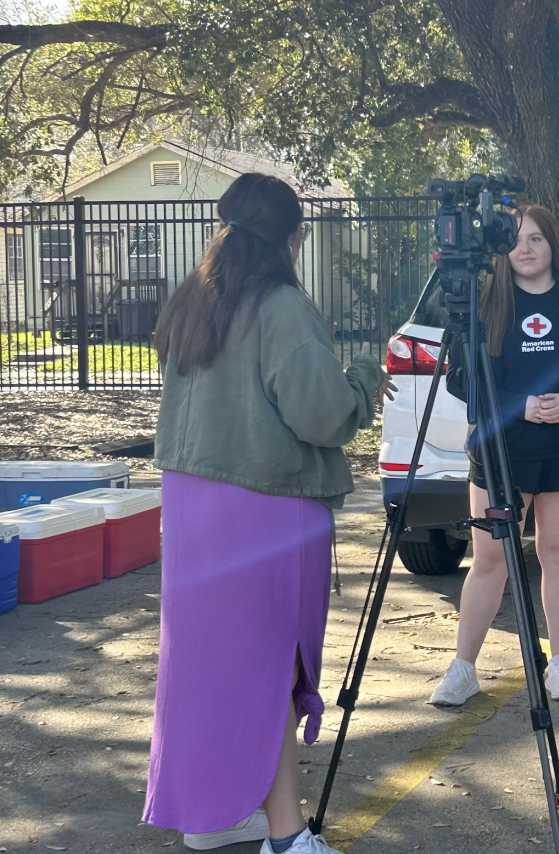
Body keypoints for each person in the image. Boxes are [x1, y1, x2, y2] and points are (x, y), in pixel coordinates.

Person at [145, 174, 393, 854]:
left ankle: (211, 815)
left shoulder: (193, 302)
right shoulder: (280, 305)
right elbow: (321, 415)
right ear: (288, 237)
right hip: (265, 506)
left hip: (192, 503)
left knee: (207, 667)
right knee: (270, 671)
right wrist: (365, 377)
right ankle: (287, 837)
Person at [429, 205, 559, 706]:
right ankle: (462, 668)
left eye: (537, 238)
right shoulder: (483, 305)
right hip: (501, 451)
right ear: (500, 249)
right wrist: (518, 406)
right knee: (490, 559)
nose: (526, 248)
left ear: (553, 245)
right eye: (516, 240)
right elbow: (459, 378)